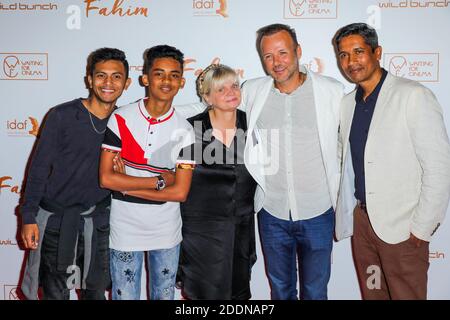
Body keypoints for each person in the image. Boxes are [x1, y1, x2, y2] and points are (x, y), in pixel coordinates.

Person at [176, 23, 344, 300]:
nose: (276, 62)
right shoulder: (254, 90)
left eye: (282, 53)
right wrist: (151, 110)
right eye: (268, 56)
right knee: (280, 289)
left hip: (318, 210)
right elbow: (213, 104)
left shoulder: (331, 91)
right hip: (271, 211)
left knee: (315, 291)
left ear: (298, 51)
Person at [334, 23, 450, 299]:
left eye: (359, 51)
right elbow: (344, 162)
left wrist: (421, 229)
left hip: (403, 229)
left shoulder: (413, 96)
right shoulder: (347, 104)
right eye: (344, 55)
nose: (351, 61)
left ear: (377, 52)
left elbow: (439, 167)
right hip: (363, 225)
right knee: (373, 295)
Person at [20, 48, 131, 300]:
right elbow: (38, 168)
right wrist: (28, 217)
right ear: (89, 79)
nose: (108, 83)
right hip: (56, 222)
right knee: (55, 294)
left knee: (95, 293)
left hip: (99, 222)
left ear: (127, 83)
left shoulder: (126, 121)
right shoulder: (62, 116)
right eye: (101, 76)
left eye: (116, 77)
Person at [99, 45, 195, 300]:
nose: (166, 81)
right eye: (159, 73)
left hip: (166, 230)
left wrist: (126, 186)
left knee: (164, 296)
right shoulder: (121, 118)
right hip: (124, 228)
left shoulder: (185, 131)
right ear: (145, 78)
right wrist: (160, 181)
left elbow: (181, 192)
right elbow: (107, 178)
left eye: (174, 75)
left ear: (182, 82)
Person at [176, 64, 257, 300]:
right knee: (205, 294)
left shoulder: (252, 124)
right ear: (207, 96)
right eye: (221, 89)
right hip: (201, 229)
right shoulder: (190, 128)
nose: (231, 92)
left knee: (239, 293)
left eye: (234, 85)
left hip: (241, 226)